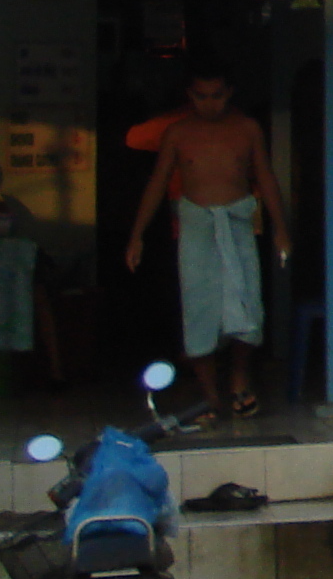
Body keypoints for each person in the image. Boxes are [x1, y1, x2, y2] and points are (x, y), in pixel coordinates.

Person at [124, 67, 290, 420]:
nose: (210, 103)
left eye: (217, 95)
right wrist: (137, 234)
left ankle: (240, 380)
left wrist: (280, 228)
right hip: (196, 226)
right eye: (201, 96)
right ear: (190, 95)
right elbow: (158, 182)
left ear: (229, 92)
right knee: (199, 309)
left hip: (239, 224)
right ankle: (209, 395)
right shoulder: (177, 132)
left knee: (246, 303)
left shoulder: (247, 129)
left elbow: (265, 176)